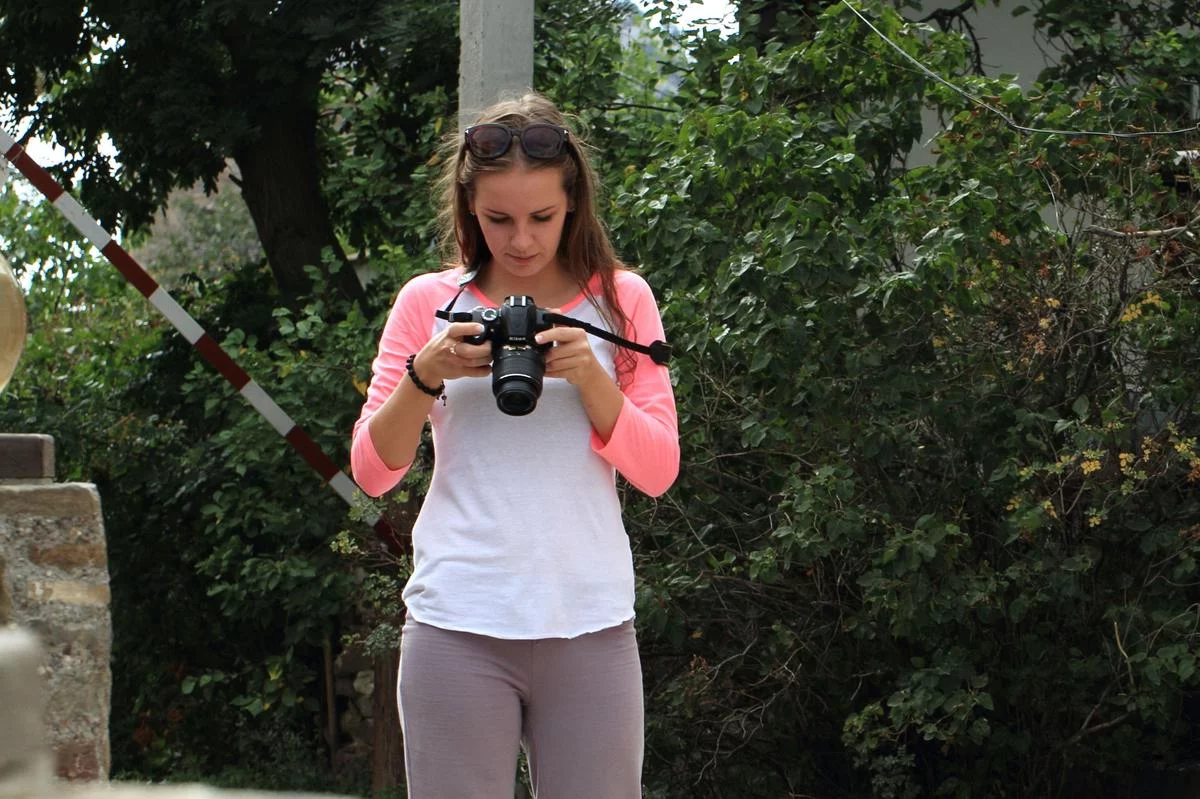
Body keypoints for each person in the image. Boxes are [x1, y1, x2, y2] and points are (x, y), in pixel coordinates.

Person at [349, 92, 680, 799]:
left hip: (590, 622)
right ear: (470, 207)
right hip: (455, 622)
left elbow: (658, 470)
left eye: (542, 217)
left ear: (574, 204)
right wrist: (424, 375)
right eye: (498, 219)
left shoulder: (622, 302)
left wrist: (589, 375)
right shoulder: (427, 303)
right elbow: (371, 473)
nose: (521, 240)